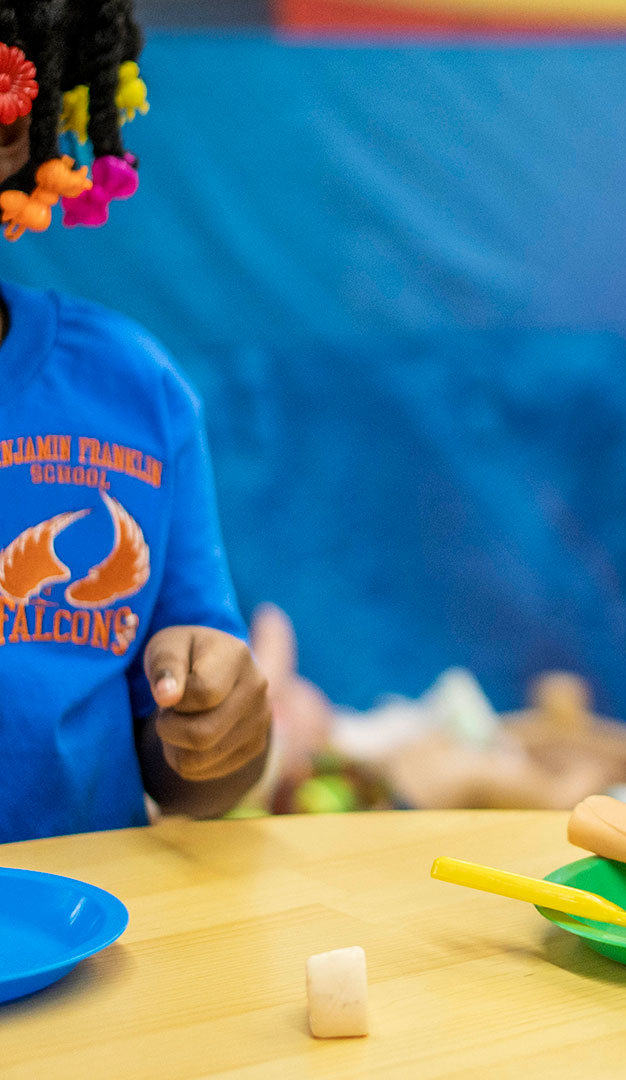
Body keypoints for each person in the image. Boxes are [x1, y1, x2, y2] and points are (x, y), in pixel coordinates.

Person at [0, 0, 270, 843]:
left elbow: (190, 767)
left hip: (76, 947)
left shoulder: (134, 392)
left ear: (15, 132)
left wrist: (221, 734)